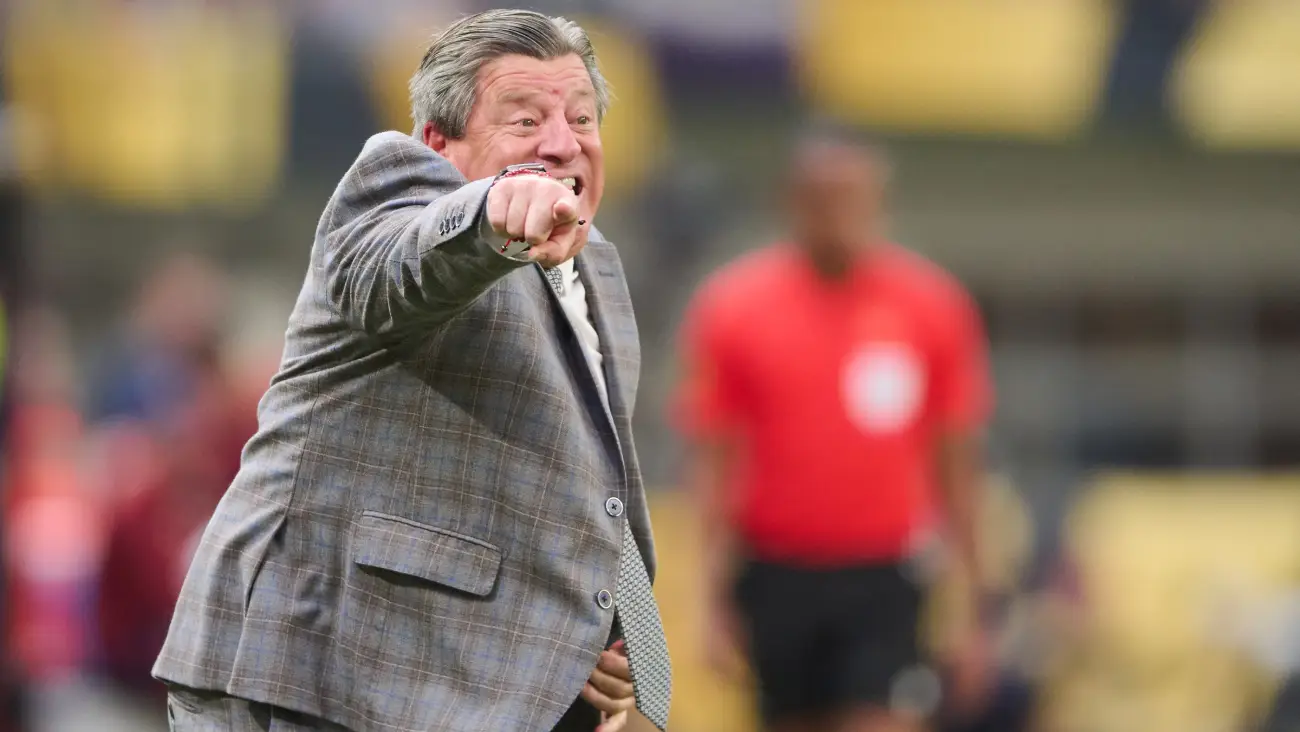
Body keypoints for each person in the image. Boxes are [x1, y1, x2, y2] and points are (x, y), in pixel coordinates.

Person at [154, 10, 670, 732]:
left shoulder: (597, 270)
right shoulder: (396, 186)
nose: (562, 142)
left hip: (444, 688)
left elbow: (572, 485)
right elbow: (401, 266)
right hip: (311, 674)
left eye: (581, 118)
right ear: (438, 144)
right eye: (524, 121)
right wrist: (493, 208)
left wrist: (579, 639)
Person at [675, 127, 995, 732]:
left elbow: (958, 463)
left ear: (880, 199)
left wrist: (976, 606)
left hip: (886, 573)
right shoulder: (735, 307)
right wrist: (707, 600)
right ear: (791, 201)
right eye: (822, 197)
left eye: (852, 196)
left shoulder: (931, 306)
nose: (837, 213)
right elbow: (714, 464)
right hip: (776, 571)